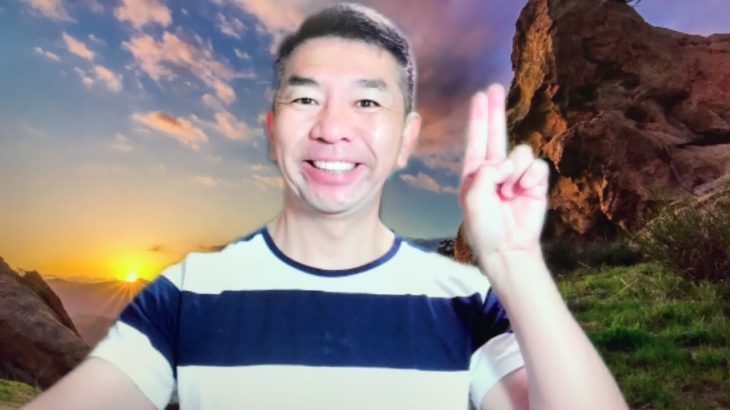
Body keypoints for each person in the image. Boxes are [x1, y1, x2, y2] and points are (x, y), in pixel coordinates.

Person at [25, 4, 627, 410]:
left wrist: (516, 261)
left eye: (368, 103)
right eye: (306, 99)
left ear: (407, 140)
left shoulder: (464, 302)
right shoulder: (186, 294)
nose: (333, 128)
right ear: (272, 132)